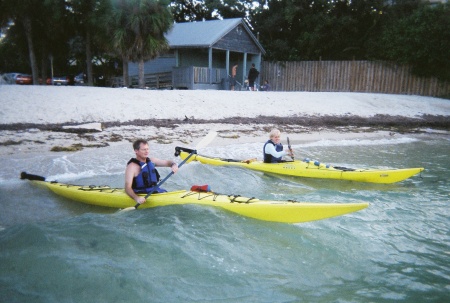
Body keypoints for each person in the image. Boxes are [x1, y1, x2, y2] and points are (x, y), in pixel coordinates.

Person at [125, 139, 178, 205]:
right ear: (136, 151)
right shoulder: (132, 166)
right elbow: (127, 188)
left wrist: (173, 165)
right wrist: (137, 198)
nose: (146, 151)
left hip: (154, 190)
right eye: (144, 149)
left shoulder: (152, 161)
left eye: (147, 149)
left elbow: (168, 162)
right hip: (141, 193)